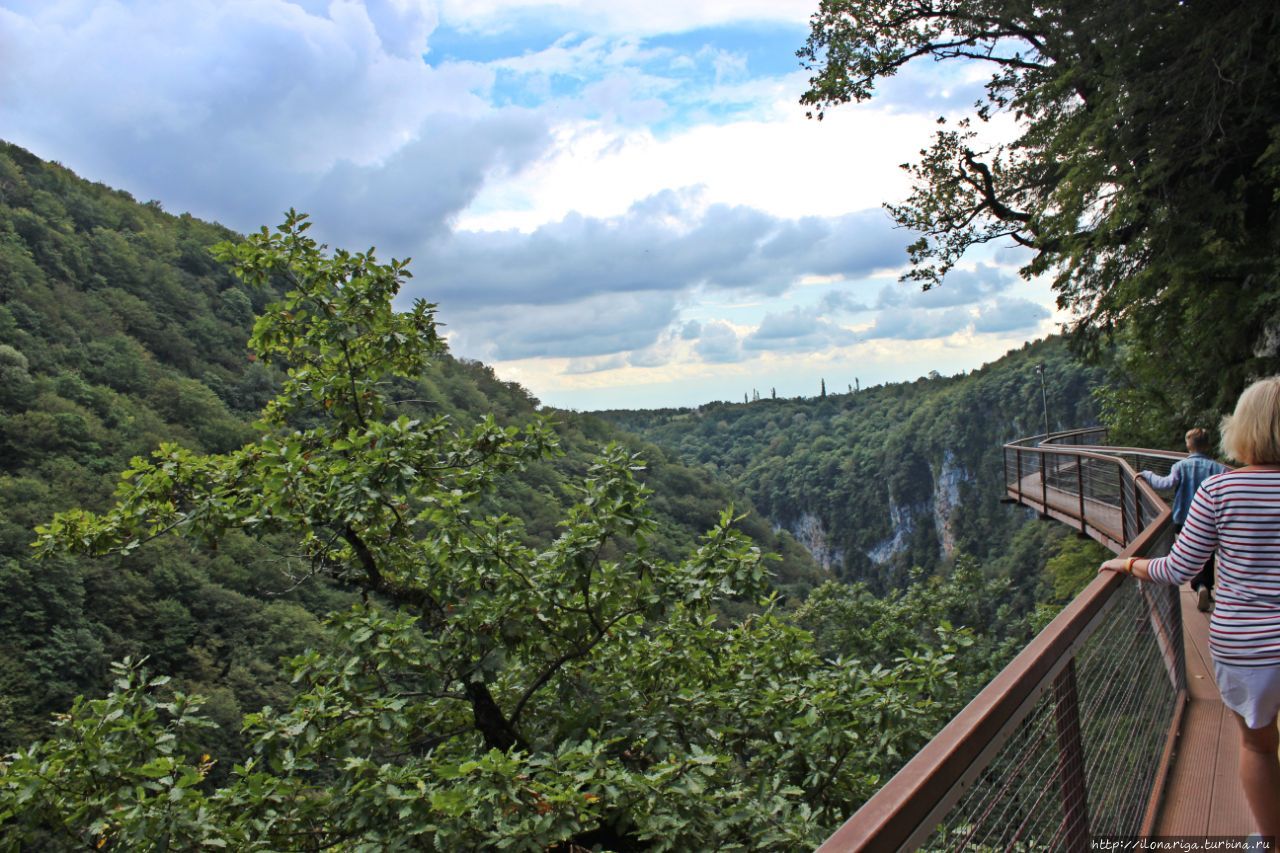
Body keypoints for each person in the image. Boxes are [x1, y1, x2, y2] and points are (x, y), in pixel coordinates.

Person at [1101, 377, 1280, 844]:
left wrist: (1131, 562)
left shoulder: (1221, 491)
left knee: (1258, 746)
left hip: (1246, 645)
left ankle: (1270, 837)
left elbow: (1180, 567)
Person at [1137, 428, 1228, 611]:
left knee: (1191, 551)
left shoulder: (1180, 466)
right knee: (1207, 554)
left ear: (1188, 445)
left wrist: (1147, 475)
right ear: (1208, 445)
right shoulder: (1218, 468)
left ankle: (1193, 581)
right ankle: (1204, 587)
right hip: (1210, 520)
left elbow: (1165, 484)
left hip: (1183, 519)